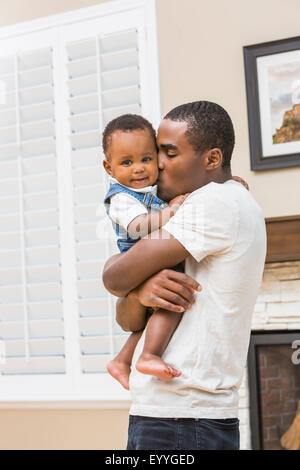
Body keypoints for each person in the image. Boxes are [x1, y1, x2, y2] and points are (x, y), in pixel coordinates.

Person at [103, 101, 267, 450]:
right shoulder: (198, 202)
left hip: (183, 417)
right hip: (175, 413)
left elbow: (115, 277)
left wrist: (129, 285)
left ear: (211, 159)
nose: (156, 163)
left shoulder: (214, 203)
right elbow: (125, 314)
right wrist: (139, 293)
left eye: (169, 152)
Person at [102, 114, 190, 390]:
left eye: (146, 159)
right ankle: (150, 354)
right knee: (172, 302)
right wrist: (171, 212)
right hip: (140, 259)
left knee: (150, 314)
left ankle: (122, 360)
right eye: (127, 162)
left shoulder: (148, 190)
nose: (139, 169)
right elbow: (139, 226)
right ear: (109, 167)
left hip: (150, 256)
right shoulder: (120, 198)